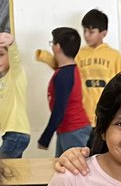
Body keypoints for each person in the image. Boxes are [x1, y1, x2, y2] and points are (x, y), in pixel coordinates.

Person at [36, 27, 92, 156]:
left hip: (74, 131)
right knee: (62, 171)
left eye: (53, 43)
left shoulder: (64, 76)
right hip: (67, 130)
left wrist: (45, 138)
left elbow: (59, 110)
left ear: (57, 47)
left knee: (75, 172)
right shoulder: (68, 70)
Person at [0, 32, 30, 159]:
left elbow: (15, 59)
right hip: (10, 135)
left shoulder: (16, 74)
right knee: (13, 175)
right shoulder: (1, 82)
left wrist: (12, 44)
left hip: (17, 134)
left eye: (1, 54)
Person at [76, 8, 121, 125]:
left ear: (103, 33)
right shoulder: (78, 54)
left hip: (106, 117)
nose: (87, 35)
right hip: (83, 119)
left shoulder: (114, 55)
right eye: (85, 31)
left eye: (91, 32)